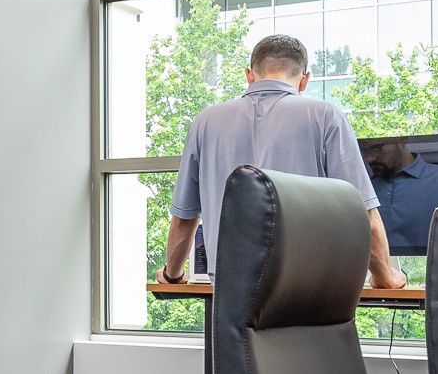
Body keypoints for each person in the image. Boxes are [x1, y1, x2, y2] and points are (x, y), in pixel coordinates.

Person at [160, 34, 405, 290]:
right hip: (307, 289)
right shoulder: (325, 117)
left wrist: (173, 275)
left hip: (232, 292)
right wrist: (384, 277)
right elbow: (363, 215)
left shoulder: (205, 122)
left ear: (249, 75)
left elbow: (183, 219)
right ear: (305, 80)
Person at [360, 138, 438, 256]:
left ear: (402, 140)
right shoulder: (364, 187)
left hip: (426, 270)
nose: (369, 158)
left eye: (377, 148)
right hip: (371, 272)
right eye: (364, 151)